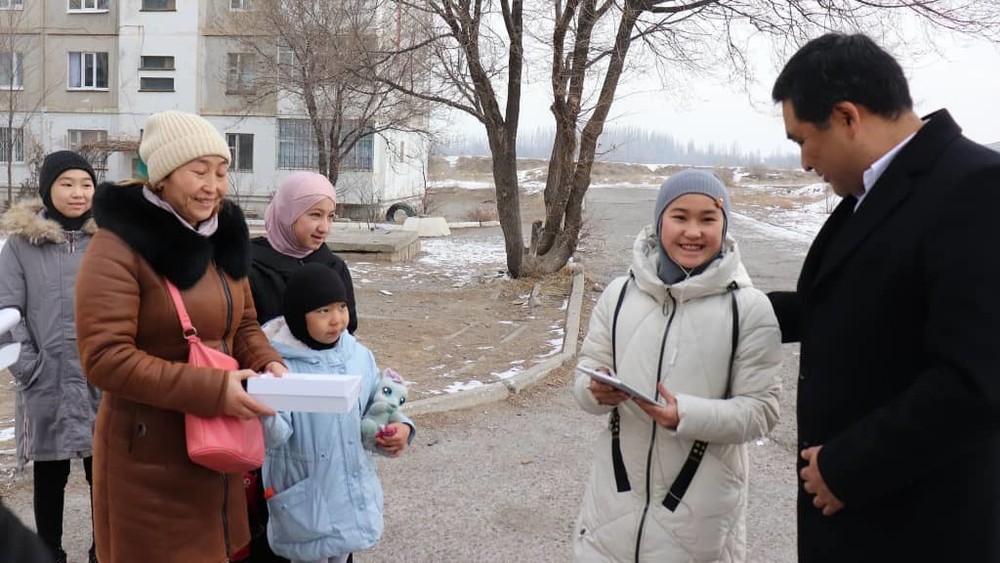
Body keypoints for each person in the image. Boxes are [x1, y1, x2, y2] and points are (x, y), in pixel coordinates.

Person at [768, 32, 1000, 562]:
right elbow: (851, 305)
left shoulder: (975, 188)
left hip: (918, 527)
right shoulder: (874, 191)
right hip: (862, 524)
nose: (804, 161)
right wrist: (729, 308)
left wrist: (847, 468)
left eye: (803, 140)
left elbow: (978, 379)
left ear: (846, 117)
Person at [74, 110, 288, 563]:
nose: (213, 186)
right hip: (149, 462)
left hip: (218, 450)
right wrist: (214, 389)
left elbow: (243, 324)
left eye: (222, 171)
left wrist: (266, 361)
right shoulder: (118, 246)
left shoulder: (221, 238)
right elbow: (105, 358)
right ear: (163, 176)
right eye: (199, 171)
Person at [571, 169, 782, 562]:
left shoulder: (749, 309)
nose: (693, 232)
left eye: (708, 219)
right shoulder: (619, 295)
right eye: (680, 217)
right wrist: (596, 391)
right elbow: (585, 379)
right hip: (608, 520)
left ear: (724, 226)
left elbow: (763, 411)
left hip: (698, 529)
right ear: (659, 222)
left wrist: (685, 415)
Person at [260, 263, 413, 563]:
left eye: (341, 307)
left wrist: (400, 427)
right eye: (323, 311)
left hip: (349, 494)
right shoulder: (280, 366)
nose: (337, 319)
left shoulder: (358, 356)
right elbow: (272, 436)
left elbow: (378, 405)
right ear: (298, 315)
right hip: (307, 502)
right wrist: (263, 403)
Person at [0, 150, 100, 563]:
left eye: (86, 184)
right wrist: (29, 367)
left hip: (101, 376)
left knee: (104, 472)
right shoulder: (21, 245)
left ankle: (102, 550)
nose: (78, 193)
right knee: (49, 472)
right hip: (46, 377)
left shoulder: (109, 241)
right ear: (47, 189)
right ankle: (48, 552)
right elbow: (6, 311)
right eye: (67, 184)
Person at [249, 171, 357, 332]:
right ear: (287, 214)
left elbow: (347, 329)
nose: (324, 228)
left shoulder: (334, 267)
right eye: (315, 215)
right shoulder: (250, 267)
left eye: (330, 216)